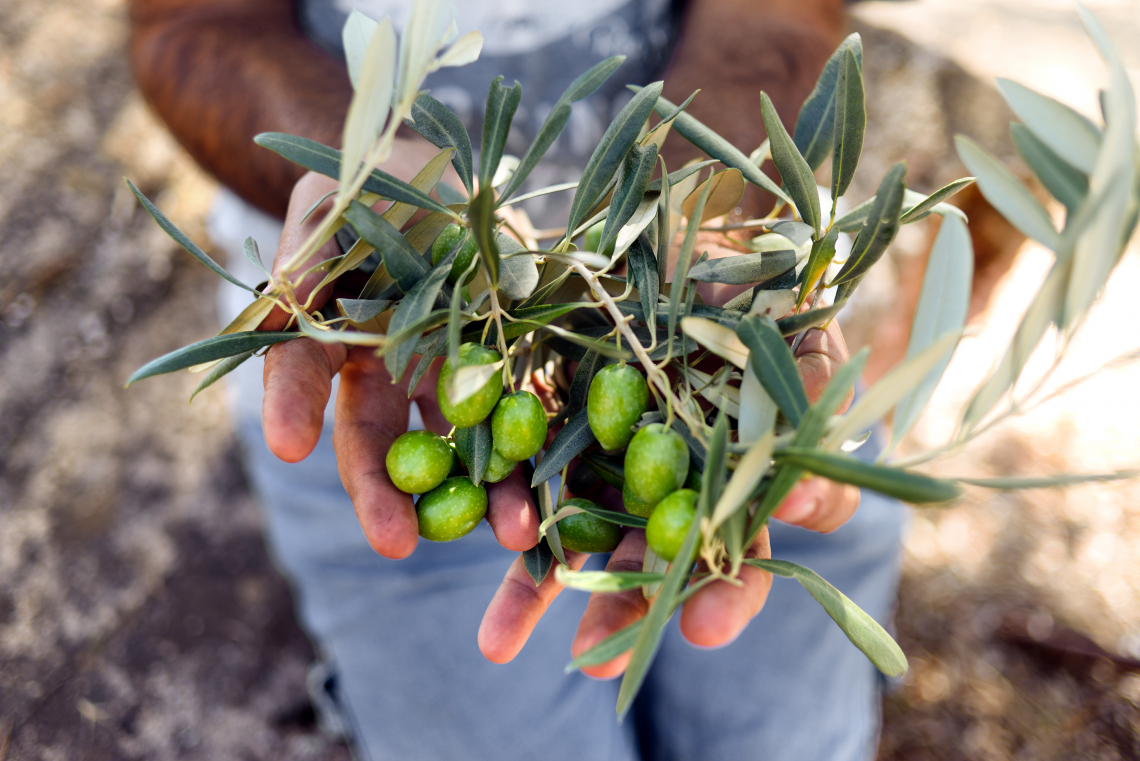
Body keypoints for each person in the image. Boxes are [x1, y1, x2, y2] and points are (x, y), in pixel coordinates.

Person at [129, 1, 906, 758]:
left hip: (727, 352)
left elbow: (776, 13)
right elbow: (192, 24)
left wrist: (707, 204)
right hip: (386, 369)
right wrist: (366, 174)